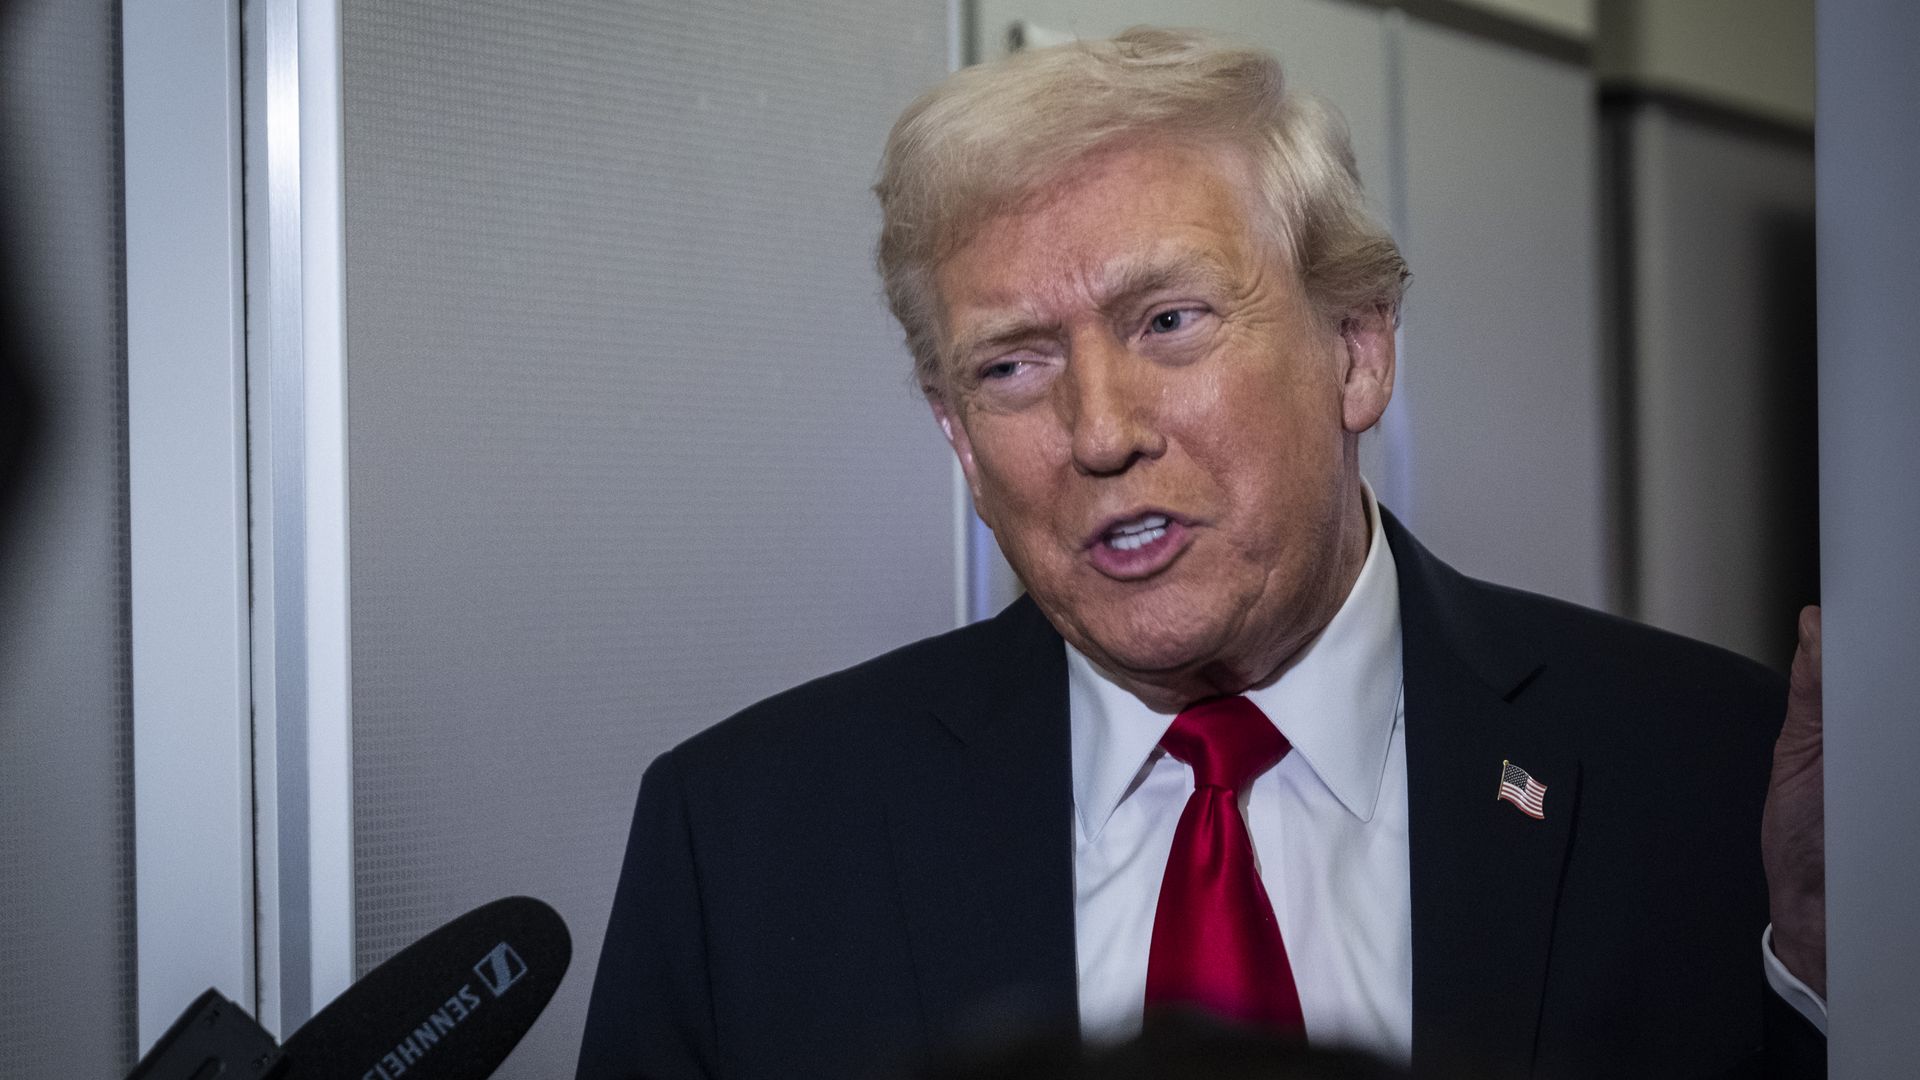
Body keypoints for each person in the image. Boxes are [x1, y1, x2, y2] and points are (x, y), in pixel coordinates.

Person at [577, 29, 1825, 1079]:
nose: (1102, 433)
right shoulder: (744, 841)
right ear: (957, 436)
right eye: (1013, 365)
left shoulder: (1708, 766)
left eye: (1169, 321)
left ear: (1357, 348)